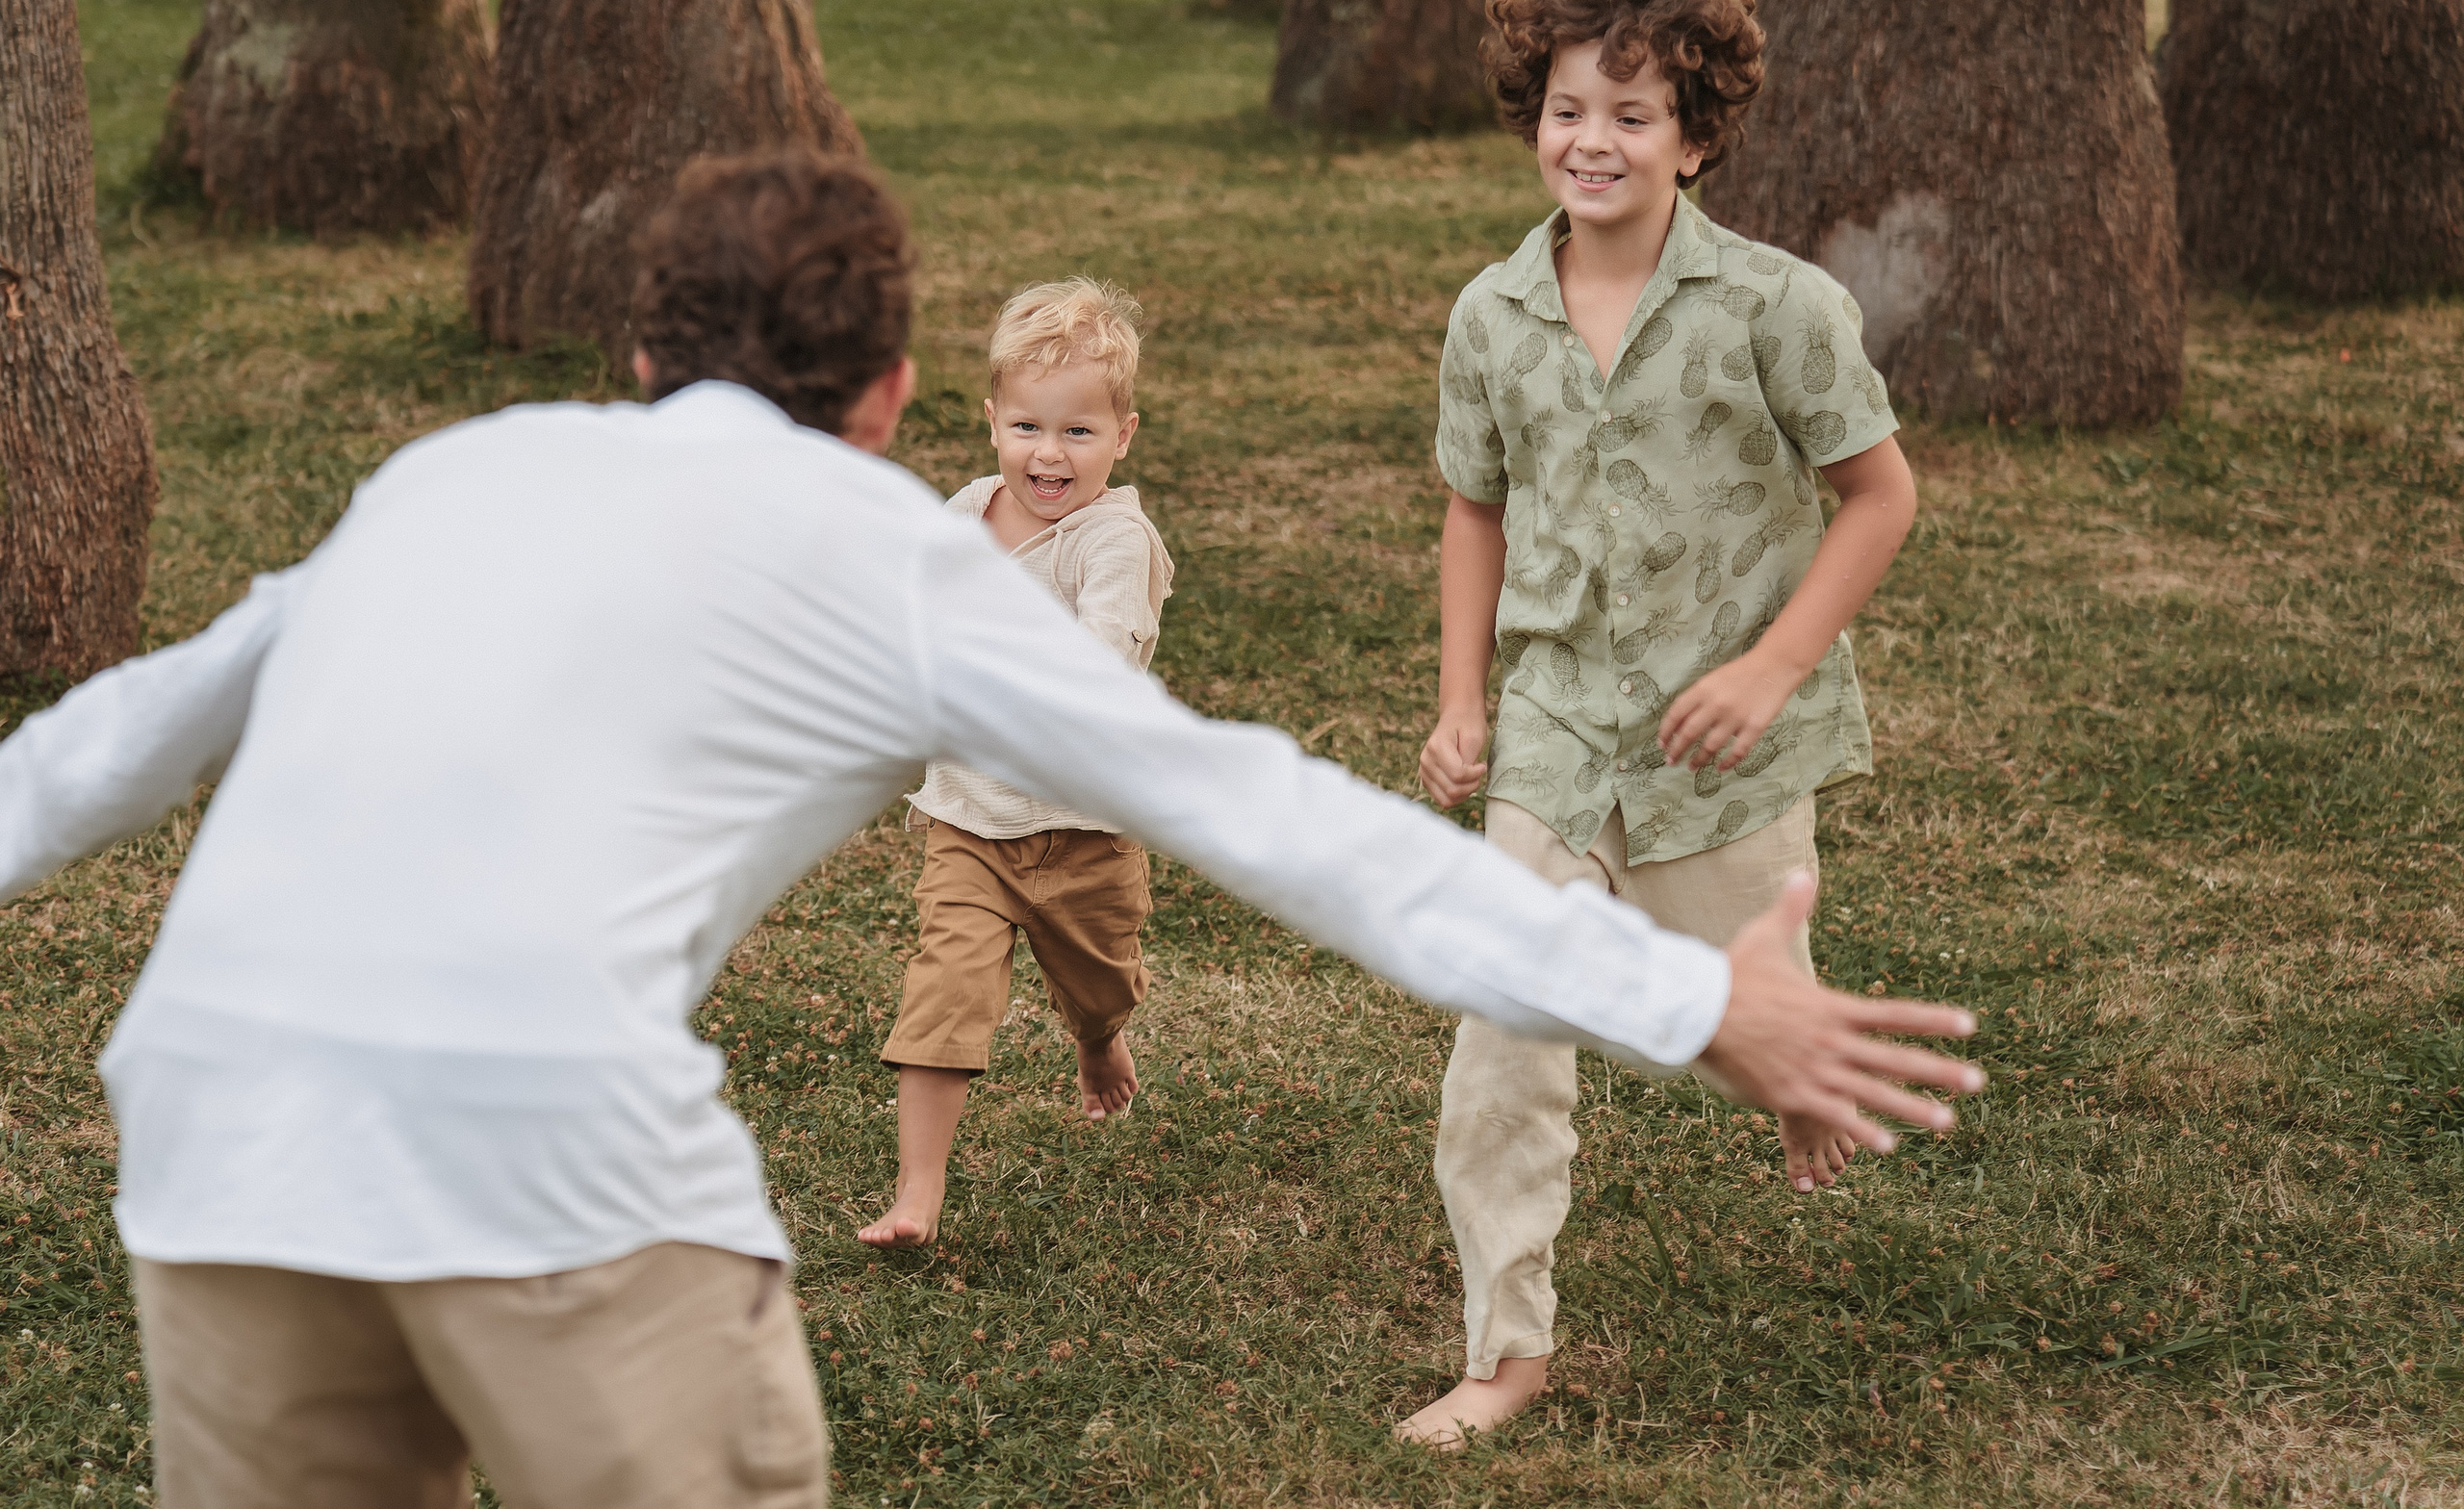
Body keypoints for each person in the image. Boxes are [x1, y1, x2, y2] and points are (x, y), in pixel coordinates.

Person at [0, 149, 1977, 1508]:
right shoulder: (898, 554)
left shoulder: (446, 475)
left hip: (210, 1138)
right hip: (555, 1164)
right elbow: (1260, 811)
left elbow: (105, 744)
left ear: (631, 358)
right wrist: (1675, 992)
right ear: (891, 394)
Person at [1399, 0, 1921, 1449]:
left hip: (1721, 753)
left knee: (1750, 1013)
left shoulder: (1779, 310)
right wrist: (1462, 701)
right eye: (1568, 108)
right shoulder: (1490, 317)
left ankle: (1801, 1066)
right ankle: (1509, 1346)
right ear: (1531, 119)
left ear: (1695, 138)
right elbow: (1472, 508)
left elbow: (1879, 496)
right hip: (1558, 733)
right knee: (1500, 1039)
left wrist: (1770, 667)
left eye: (1632, 114)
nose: (1593, 139)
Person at [860, 278, 1173, 1250]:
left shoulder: (1113, 540)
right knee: (944, 988)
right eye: (1028, 425)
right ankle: (917, 1192)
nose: (1049, 453)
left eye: (1078, 432)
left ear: (1123, 434)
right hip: (970, 821)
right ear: (992, 420)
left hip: (1085, 827)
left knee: (1102, 977)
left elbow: (1103, 653)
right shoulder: (962, 516)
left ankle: (1096, 1036)